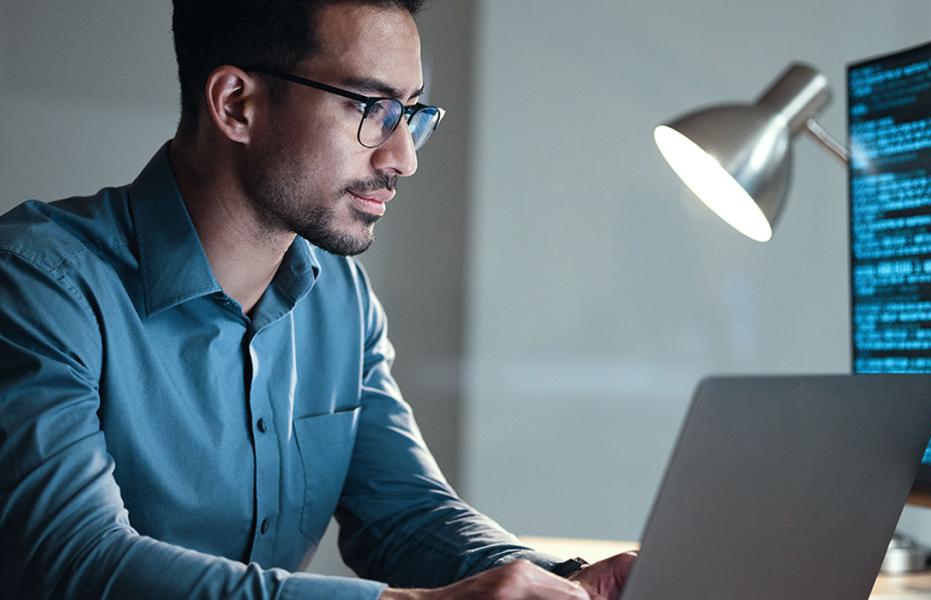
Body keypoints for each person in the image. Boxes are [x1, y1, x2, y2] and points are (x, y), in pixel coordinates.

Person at [0, 1, 636, 598]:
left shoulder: (340, 297)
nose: (403, 157)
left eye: (411, 112)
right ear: (236, 104)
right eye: (372, 108)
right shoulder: (36, 283)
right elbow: (73, 557)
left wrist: (569, 581)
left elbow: (405, 512)